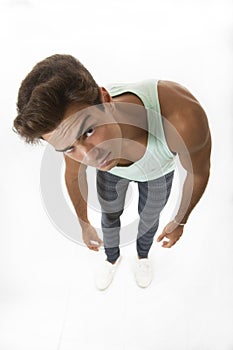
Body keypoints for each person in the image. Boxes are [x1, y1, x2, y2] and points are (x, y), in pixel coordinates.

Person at [13, 54, 211, 290]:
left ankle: (142, 256)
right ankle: (112, 257)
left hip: (156, 172)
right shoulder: (83, 147)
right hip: (114, 174)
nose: (89, 156)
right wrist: (84, 222)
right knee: (109, 216)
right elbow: (73, 174)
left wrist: (180, 221)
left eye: (88, 131)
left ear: (105, 99)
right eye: (68, 148)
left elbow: (198, 173)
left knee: (148, 220)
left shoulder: (182, 119)